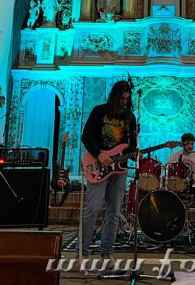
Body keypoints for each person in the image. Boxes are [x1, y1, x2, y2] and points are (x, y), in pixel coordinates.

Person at [80, 80, 136, 260]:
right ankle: (82, 253)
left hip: (119, 170)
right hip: (98, 165)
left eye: (127, 99)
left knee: (114, 211)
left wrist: (135, 154)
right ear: (114, 96)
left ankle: (107, 252)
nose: (124, 102)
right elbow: (86, 136)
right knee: (92, 209)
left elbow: (131, 146)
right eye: (121, 98)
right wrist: (98, 154)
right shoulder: (99, 111)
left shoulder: (130, 117)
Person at [166, 133, 195, 234]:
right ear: (182, 144)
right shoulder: (175, 155)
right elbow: (167, 170)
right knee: (169, 198)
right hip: (176, 184)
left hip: (191, 185)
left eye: (192, 144)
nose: (191, 146)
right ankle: (171, 224)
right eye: (188, 144)